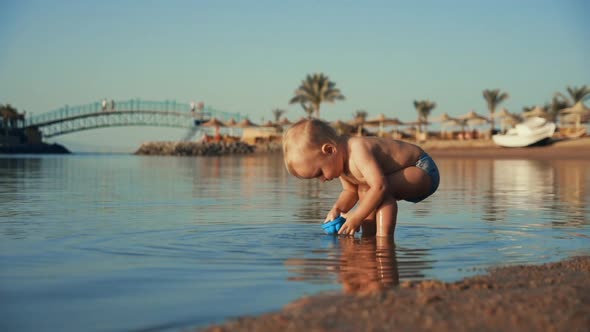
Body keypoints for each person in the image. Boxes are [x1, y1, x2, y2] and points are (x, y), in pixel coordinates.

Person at [282, 119, 439, 237]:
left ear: (329, 150)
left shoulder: (357, 149)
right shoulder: (340, 163)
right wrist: (338, 209)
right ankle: (369, 238)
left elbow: (380, 187)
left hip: (421, 169)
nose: (322, 180)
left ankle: (384, 243)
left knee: (381, 192)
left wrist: (356, 217)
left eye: (320, 173)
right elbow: (350, 191)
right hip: (397, 176)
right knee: (365, 191)